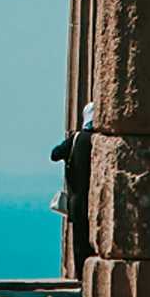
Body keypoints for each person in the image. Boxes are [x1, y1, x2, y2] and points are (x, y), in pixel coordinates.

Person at [49, 102, 97, 262]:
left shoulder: (76, 138)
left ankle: (81, 276)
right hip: (97, 200)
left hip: (77, 200)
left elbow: (55, 154)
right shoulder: (99, 140)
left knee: (80, 241)